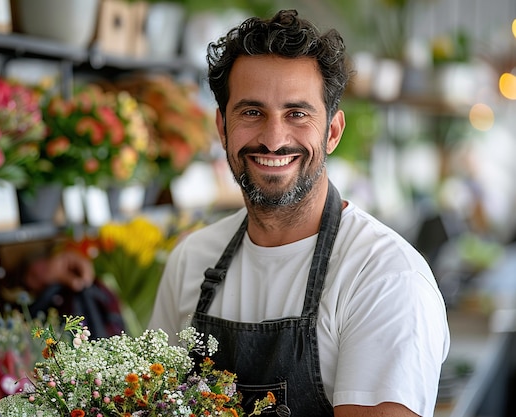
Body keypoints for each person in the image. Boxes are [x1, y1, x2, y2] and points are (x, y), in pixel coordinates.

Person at [148, 9, 450, 417]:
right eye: (252, 112)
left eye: (297, 114)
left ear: (333, 132)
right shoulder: (191, 260)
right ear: (222, 127)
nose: (273, 140)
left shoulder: (384, 276)